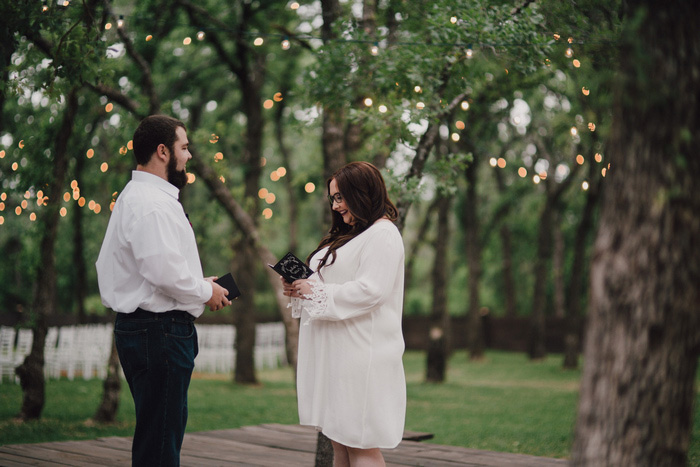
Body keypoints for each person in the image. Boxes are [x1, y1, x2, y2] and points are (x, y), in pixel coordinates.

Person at [95, 114, 231, 466]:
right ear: (162, 151)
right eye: (184, 147)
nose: (188, 155)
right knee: (160, 444)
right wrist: (205, 292)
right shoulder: (151, 204)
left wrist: (203, 285)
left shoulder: (138, 197)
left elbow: (158, 268)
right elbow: (162, 272)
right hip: (160, 333)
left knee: (158, 432)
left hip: (149, 330)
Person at [283, 161, 406, 467]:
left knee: (361, 446)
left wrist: (316, 291)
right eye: (333, 199)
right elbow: (330, 283)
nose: (336, 206)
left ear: (362, 193)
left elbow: (371, 290)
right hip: (335, 355)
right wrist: (300, 285)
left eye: (341, 197)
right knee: (341, 445)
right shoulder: (349, 235)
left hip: (361, 354)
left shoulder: (383, 234)